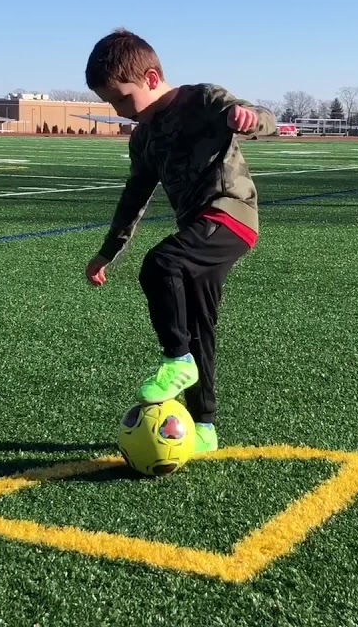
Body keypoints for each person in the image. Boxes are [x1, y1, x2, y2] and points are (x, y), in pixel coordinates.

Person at [83, 28, 275, 453]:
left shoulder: (202, 100)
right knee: (199, 327)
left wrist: (247, 118)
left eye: (122, 99)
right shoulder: (145, 137)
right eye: (110, 103)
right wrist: (107, 251)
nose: (120, 110)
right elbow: (135, 196)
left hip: (231, 216)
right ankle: (204, 428)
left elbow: (265, 117)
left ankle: (176, 360)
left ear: (152, 78)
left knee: (162, 263)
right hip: (197, 228)